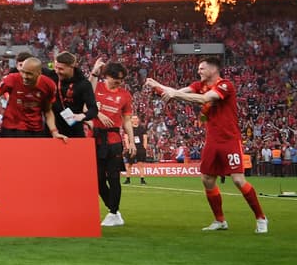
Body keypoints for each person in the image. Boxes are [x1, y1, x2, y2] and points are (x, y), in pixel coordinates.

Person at [146, 57, 268, 233]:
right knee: (207, 179)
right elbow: (176, 92)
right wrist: (158, 85)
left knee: (238, 180)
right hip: (212, 140)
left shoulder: (225, 85)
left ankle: (261, 218)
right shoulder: (198, 85)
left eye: (202, 68)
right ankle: (220, 221)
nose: (199, 71)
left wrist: (173, 94)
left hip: (229, 139)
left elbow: (204, 99)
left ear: (213, 69)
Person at [91, 60, 135, 227]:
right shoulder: (97, 89)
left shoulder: (125, 95)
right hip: (95, 139)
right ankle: (114, 211)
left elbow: (127, 120)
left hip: (114, 140)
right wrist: (98, 113)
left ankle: (113, 212)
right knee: (98, 179)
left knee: (114, 178)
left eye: (122, 79)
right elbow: (88, 98)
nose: (119, 81)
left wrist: (131, 141)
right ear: (106, 76)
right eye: (116, 78)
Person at [0, 57, 68, 141]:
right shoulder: (12, 79)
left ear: (39, 73)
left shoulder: (49, 85)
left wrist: (54, 132)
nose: (24, 76)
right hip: (11, 129)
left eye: (29, 73)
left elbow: (48, 111)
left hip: (35, 130)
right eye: (23, 72)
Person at [124, 113, 149, 185]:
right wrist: (128, 147)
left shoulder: (142, 128)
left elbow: (145, 138)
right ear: (131, 120)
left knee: (140, 164)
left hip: (140, 148)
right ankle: (128, 179)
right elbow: (126, 138)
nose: (135, 120)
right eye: (133, 118)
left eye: (136, 118)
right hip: (131, 148)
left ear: (138, 120)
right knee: (129, 164)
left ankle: (142, 179)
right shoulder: (128, 128)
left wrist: (144, 147)